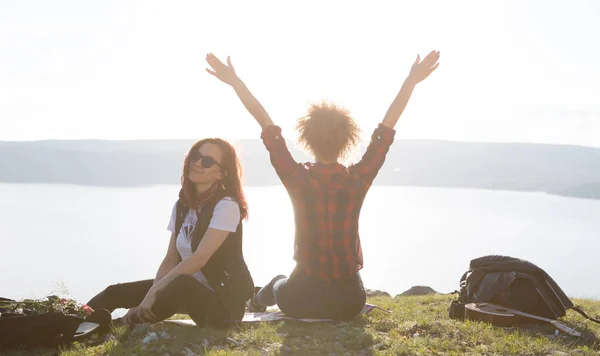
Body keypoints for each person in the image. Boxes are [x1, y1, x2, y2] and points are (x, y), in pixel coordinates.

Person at [205, 50, 440, 321]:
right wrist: (410, 81)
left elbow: (266, 125)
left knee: (278, 282)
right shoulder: (357, 180)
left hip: (300, 299)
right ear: (346, 141)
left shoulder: (297, 178)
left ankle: (258, 300)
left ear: (307, 139)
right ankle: (264, 295)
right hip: (348, 303)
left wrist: (235, 82)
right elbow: (385, 131)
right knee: (289, 282)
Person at [87, 138, 254, 327]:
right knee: (113, 293)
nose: (197, 163)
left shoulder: (227, 206)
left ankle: (116, 326)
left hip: (223, 305)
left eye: (207, 161)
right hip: (185, 291)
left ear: (222, 173)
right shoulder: (183, 206)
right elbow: (170, 260)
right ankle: (74, 323)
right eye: (195, 156)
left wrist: (154, 293)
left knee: (181, 284)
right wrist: (150, 294)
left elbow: (199, 258)